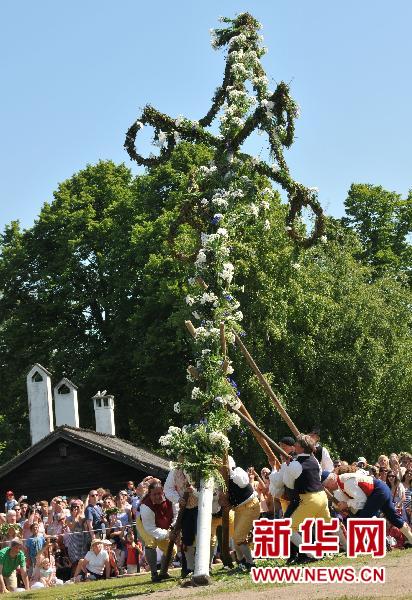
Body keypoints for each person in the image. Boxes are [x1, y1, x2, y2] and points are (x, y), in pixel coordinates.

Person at [323, 467, 412, 547]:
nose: (327, 488)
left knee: (363, 519)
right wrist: (344, 506)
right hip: (381, 490)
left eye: (326, 485)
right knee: (393, 517)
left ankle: (376, 544)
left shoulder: (346, 482)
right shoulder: (341, 484)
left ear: (331, 479)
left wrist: (346, 504)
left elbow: (361, 500)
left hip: (378, 490)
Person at [283, 434, 331, 562]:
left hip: (309, 498)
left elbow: (289, 484)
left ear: (301, 447)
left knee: (289, 528)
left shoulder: (296, 464)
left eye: (297, 444)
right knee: (329, 525)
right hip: (322, 496)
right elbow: (319, 474)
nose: (295, 445)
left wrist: (287, 466)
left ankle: (311, 554)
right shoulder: (314, 460)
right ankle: (349, 546)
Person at [219, 456, 260, 572]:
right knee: (235, 540)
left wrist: (229, 471)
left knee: (239, 537)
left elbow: (243, 483)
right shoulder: (222, 481)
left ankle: (251, 564)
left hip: (250, 506)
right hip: (239, 509)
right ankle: (242, 563)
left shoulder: (237, 471)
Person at [139, 481, 177, 582]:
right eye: (154, 494)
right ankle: (154, 573)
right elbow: (151, 529)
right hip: (146, 526)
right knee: (151, 542)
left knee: (172, 550)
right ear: (149, 494)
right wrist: (169, 534)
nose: (157, 496)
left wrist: (173, 527)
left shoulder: (170, 498)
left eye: (159, 493)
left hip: (165, 526)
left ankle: (163, 572)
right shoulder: (146, 507)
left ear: (163, 492)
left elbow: (176, 514)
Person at [164, 467, 197, 577]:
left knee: (201, 536)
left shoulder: (199, 468)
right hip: (185, 508)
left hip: (200, 506)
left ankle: (204, 567)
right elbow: (168, 490)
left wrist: (195, 492)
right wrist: (178, 499)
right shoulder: (174, 472)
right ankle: (190, 568)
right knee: (187, 538)